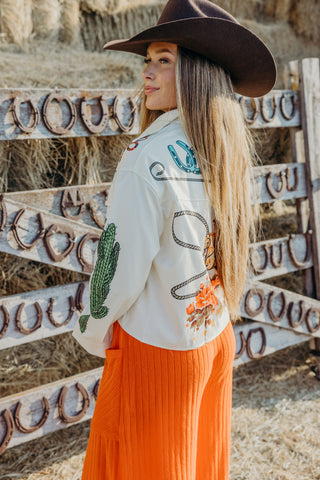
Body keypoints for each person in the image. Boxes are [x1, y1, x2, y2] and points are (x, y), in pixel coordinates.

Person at [72, 0, 276, 478]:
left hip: (158, 353)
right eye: (148, 59)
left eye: (164, 60)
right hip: (214, 337)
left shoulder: (146, 158)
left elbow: (117, 268)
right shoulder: (220, 150)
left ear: (197, 73)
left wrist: (88, 329)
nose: (147, 72)